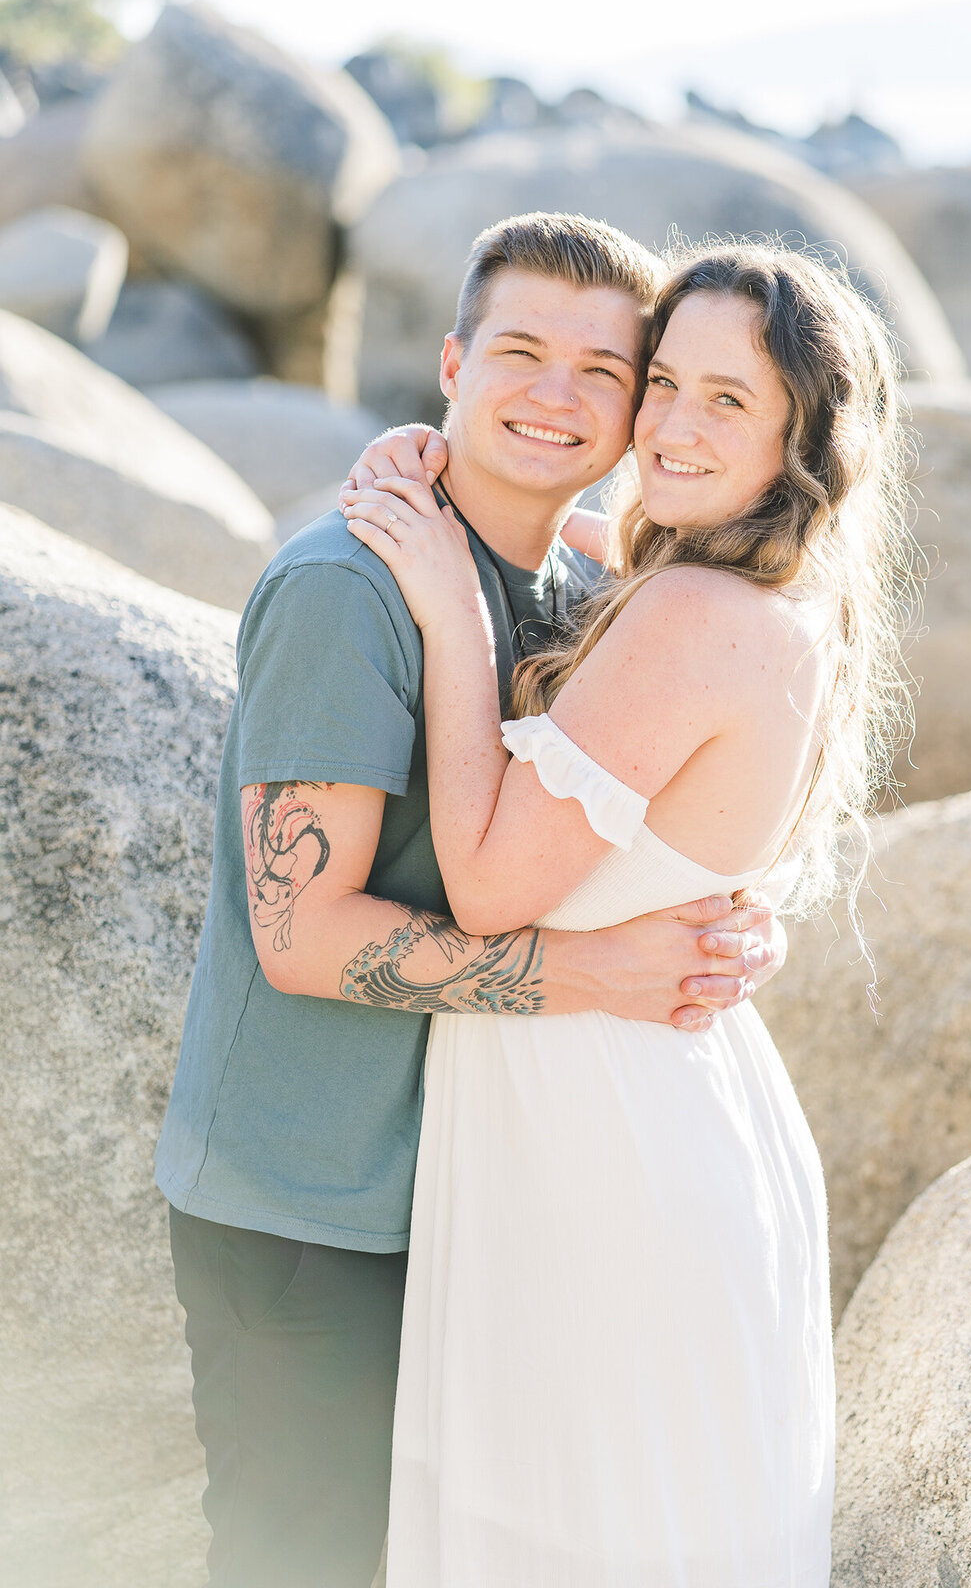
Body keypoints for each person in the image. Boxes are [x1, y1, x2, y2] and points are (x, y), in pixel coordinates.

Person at [154, 213, 789, 1588]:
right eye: (518, 352)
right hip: (311, 1209)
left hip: (480, 1199)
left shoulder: (588, 596)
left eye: (603, 372)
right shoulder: (346, 593)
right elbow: (304, 936)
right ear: (449, 362)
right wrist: (602, 975)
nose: (555, 396)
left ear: (640, 414)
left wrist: (719, 908)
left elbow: (637, 817)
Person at [340, 239, 911, 1586]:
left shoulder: (693, 614)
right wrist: (437, 462)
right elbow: (588, 543)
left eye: (730, 399)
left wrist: (446, 611)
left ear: (801, 434)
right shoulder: (768, 592)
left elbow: (487, 885)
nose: (670, 424)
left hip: (605, 1143)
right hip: (654, 1109)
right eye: (663, 382)